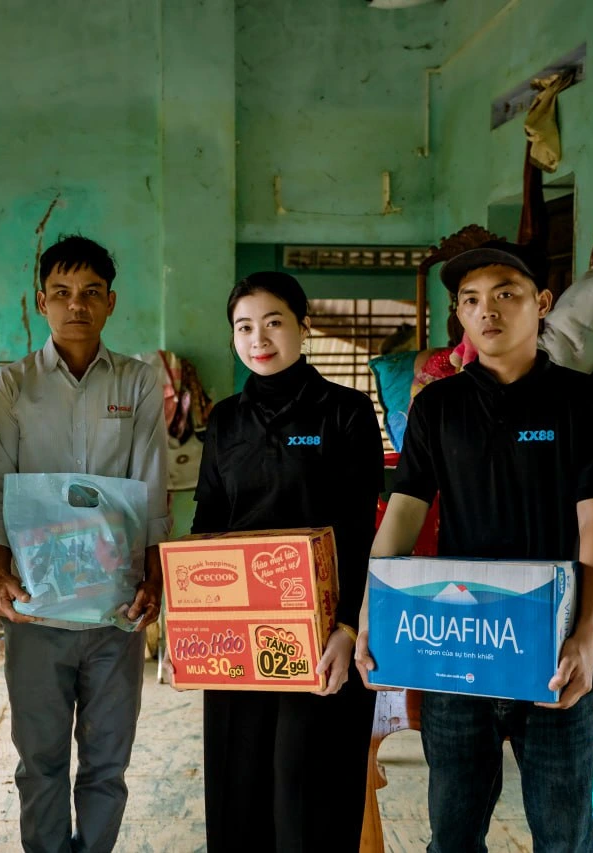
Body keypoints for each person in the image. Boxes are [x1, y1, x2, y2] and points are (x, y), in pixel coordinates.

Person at [355, 240, 593, 853]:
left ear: (543, 303)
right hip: (457, 642)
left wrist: (587, 635)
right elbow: (402, 515)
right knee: (452, 832)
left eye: (506, 293)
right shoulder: (437, 406)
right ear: (459, 314)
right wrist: (372, 614)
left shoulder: (586, 403)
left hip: (554, 645)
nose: (488, 310)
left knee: (563, 835)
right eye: (471, 300)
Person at [167, 271, 383, 852]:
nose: (258, 339)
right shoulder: (227, 419)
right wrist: (189, 630)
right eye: (243, 327)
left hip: (322, 638)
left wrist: (348, 628)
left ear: (303, 326)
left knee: (307, 797)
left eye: (273, 322)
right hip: (236, 638)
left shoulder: (345, 411)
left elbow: (361, 531)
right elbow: (208, 525)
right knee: (238, 795)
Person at [0, 235, 169, 853]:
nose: (76, 305)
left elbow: (152, 484)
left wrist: (154, 576)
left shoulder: (139, 383)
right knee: (40, 761)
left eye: (91, 292)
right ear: (41, 302)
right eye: (61, 292)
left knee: (108, 762)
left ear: (111, 301)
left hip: (116, 608)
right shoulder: (12, 385)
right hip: (38, 605)